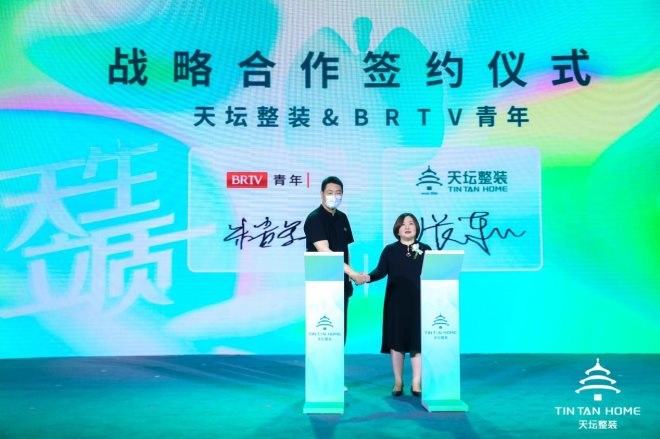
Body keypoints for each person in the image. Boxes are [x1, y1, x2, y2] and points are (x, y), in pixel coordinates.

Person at [367, 212, 431, 397]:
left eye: (411, 223)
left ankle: (416, 382)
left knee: (417, 342)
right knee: (397, 342)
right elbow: (380, 271)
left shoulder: (426, 249)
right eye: (403, 224)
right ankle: (398, 381)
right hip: (396, 302)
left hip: (420, 301)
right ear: (397, 229)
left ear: (417, 227)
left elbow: (434, 271)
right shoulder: (390, 250)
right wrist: (367, 277)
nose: (407, 227)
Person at [304, 176, 369, 346]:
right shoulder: (314, 218)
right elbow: (325, 251)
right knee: (323, 330)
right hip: (322, 283)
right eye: (330, 192)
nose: (334, 196)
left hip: (342, 283)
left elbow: (346, 250)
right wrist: (353, 273)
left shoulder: (343, 217)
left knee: (340, 330)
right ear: (322, 194)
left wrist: (350, 277)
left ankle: (337, 361)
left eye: (338, 193)